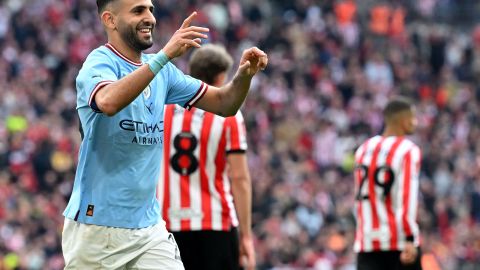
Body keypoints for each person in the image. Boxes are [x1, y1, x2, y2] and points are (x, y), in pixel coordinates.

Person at [61, 0, 268, 269]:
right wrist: (164, 56)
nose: (149, 17)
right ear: (110, 20)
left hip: (149, 229)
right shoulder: (99, 63)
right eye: (138, 11)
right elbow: (108, 101)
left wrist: (244, 76)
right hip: (97, 229)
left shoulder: (162, 72)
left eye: (150, 10)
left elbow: (225, 104)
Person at [158, 44, 255, 270]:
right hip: (215, 222)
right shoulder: (229, 116)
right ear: (221, 77)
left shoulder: (162, 110)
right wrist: (247, 236)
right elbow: (240, 179)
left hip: (167, 225)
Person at [353, 97, 422, 270]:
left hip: (367, 242)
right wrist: (409, 238)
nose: (415, 122)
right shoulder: (407, 150)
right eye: (412, 117)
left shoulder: (363, 149)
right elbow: (407, 197)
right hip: (397, 243)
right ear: (402, 119)